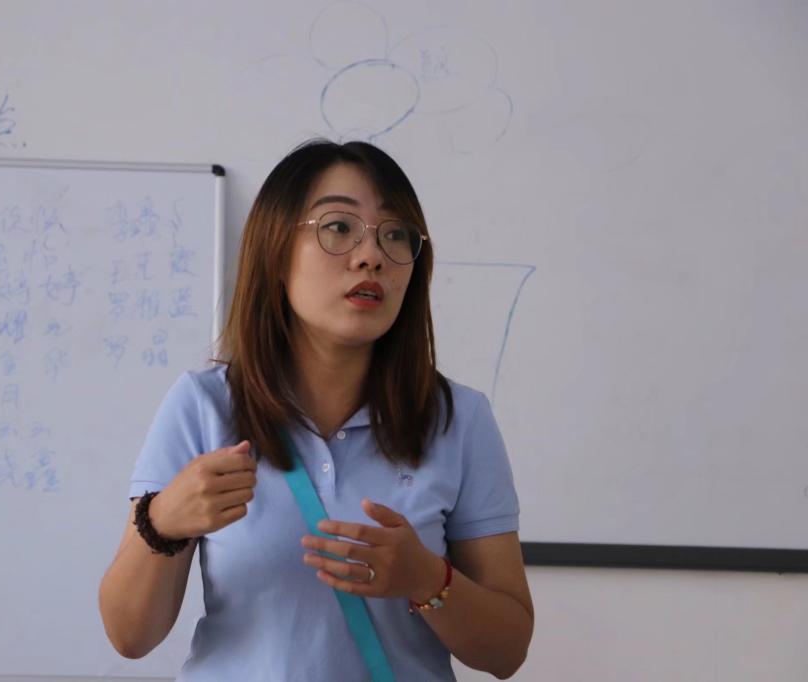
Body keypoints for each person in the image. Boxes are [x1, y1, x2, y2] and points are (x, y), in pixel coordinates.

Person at [98, 139, 534, 680]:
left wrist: (428, 580)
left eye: (395, 234)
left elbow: (507, 651)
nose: (371, 254)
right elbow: (129, 636)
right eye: (339, 227)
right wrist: (163, 521)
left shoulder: (459, 419)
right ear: (277, 252)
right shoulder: (203, 406)